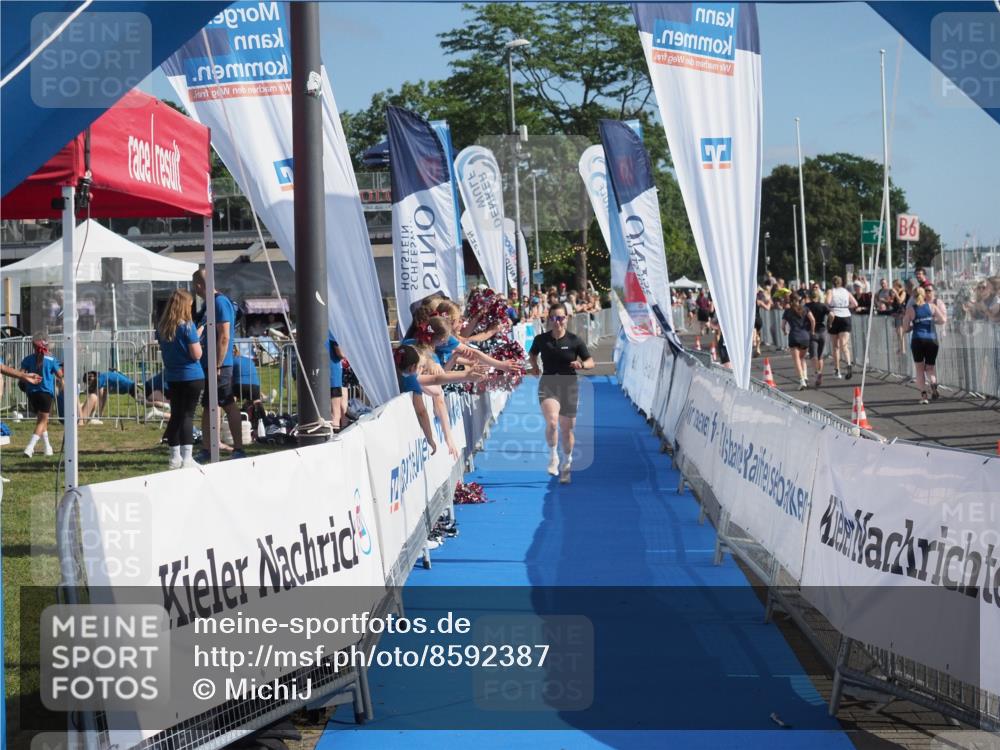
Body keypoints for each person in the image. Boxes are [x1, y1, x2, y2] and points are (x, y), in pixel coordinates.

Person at [528, 303, 594, 483]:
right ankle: (553, 457)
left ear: (567, 318)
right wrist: (534, 366)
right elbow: (532, 354)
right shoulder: (541, 339)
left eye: (560, 318)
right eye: (553, 318)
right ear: (548, 319)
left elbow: (590, 361)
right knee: (552, 421)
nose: (557, 322)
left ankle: (567, 462)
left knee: (567, 429)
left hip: (569, 384)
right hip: (548, 383)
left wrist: (582, 365)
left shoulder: (575, 340)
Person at [191, 269, 244, 462]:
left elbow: (224, 336)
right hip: (211, 364)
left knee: (227, 404)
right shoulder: (210, 303)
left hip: (219, 365)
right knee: (209, 405)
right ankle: (208, 447)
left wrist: (217, 364)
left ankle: (237, 448)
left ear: (198, 285)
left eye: (193, 285)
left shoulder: (220, 302)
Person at [156, 289, 204, 469]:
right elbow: (196, 354)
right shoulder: (188, 326)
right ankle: (188, 458)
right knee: (187, 416)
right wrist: (198, 340)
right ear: (185, 306)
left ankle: (174, 457)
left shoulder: (163, 328)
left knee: (176, 415)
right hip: (191, 376)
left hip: (173, 377)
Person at [20, 334, 63, 458]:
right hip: (45, 393)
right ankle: (30, 447)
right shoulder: (51, 359)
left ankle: (47, 447)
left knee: (42, 420)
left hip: (31, 392)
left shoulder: (28, 359)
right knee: (42, 421)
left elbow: (21, 374)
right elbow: (60, 374)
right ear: (46, 346)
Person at [902, 285, 946, 404]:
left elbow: (905, 328)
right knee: (930, 368)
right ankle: (933, 384)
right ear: (924, 295)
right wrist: (931, 321)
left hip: (918, 340)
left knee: (919, 369)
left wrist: (913, 326)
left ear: (913, 297)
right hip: (932, 340)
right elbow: (943, 320)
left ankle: (924, 396)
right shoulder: (932, 307)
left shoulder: (911, 310)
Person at [825, 275, 858, 379]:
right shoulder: (846, 292)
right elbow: (855, 303)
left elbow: (827, 302)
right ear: (841, 282)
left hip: (835, 316)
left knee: (835, 346)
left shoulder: (831, 291)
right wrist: (846, 307)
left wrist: (830, 309)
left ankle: (837, 370)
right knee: (844, 344)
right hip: (846, 316)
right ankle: (848, 363)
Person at [782, 296, 814, 389]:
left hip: (794, 336)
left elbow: (782, 325)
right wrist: (812, 331)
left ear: (791, 301)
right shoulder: (805, 309)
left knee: (796, 360)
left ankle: (802, 380)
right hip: (805, 336)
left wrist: (784, 331)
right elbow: (812, 320)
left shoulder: (788, 311)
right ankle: (805, 376)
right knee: (803, 358)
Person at [805, 289, 830, 388]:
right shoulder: (823, 306)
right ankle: (819, 372)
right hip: (822, 331)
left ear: (810, 296)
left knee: (813, 355)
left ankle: (817, 373)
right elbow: (832, 314)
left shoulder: (807, 306)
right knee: (820, 356)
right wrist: (830, 323)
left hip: (812, 332)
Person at [328, 334, 346, 432]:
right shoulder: (332, 334)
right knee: (335, 412)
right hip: (334, 376)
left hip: (320, 376)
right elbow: (341, 354)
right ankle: (334, 435)